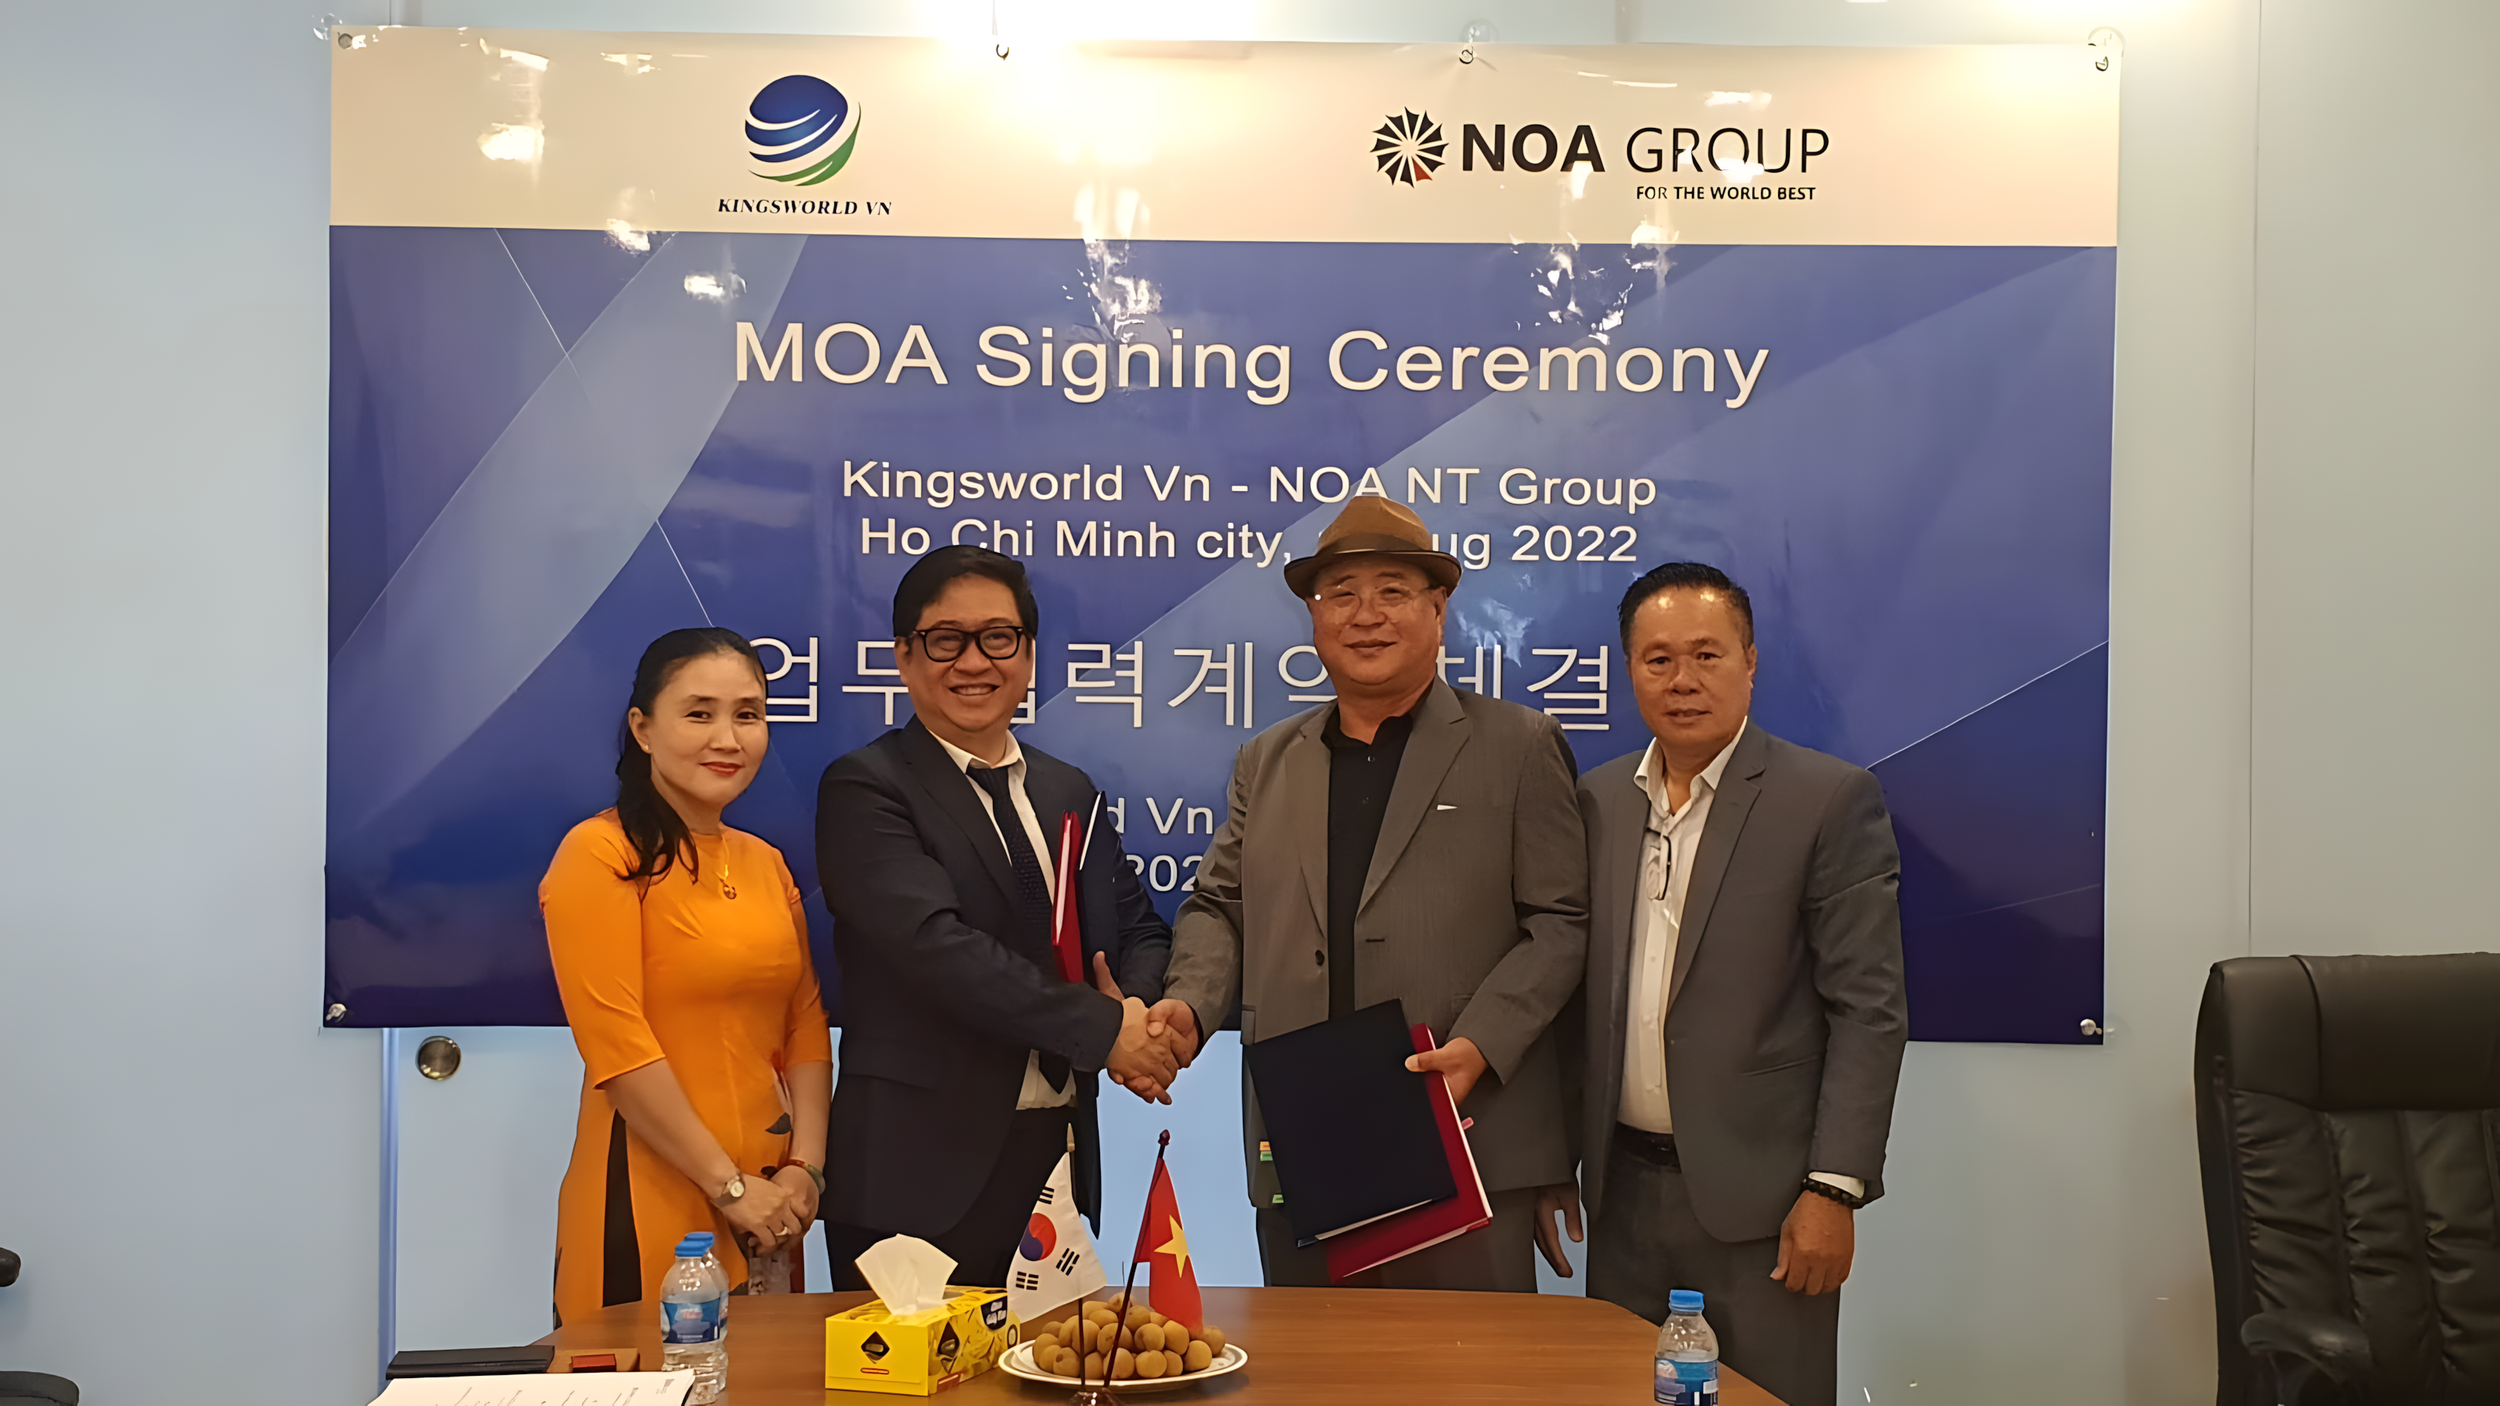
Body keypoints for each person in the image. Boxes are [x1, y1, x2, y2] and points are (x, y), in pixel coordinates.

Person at [1157, 496, 1589, 1291]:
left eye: (1392, 591)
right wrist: (1188, 1003)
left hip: (1462, 1135)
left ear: (1438, 609)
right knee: (1314, 1379)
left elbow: (1561, 923)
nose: (1366, 616)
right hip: (1306, 1135)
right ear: (1314, 616)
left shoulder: (1519, 745)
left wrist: (1484, 1045)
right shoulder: (1268, 759)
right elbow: (1220, 907)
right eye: (1340, 593)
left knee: (1462, 1385)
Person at [1537, 562, 1908, 1406]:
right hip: (1623, 1195)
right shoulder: (1594, 803)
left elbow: (1869, 1011)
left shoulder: (1826, 800)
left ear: (1749, 662)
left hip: (1770, 1207)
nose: (1683, 681)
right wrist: (1556, 1160)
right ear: (1628, 671)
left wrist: (1833, 1188)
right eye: (1657, 659)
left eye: (1707, 654)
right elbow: (1569, 997)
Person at [814, 546, 1178, 1289]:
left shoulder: (1068, 789)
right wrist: (1108, 1034)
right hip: (918, 1175)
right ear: (905, 658)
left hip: (1056, 1165)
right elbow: (938, 949)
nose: (973, 661)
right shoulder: (866, 788)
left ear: (1029, 654)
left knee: (1047, 1384)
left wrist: (1135, 1010)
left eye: (998, 638)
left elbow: (1141, 929)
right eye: (945, 640)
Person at [542, 628, 832, 1327]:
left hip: (773, 1204)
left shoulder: (766, 862)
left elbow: (806, 1026)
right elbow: (619, 1045)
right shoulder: (599, 852)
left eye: (748, 714)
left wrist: (806, 1171)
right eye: (699, 713)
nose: (727, 738)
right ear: (643, 729)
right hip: (651, 1189)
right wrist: (727, 1187)